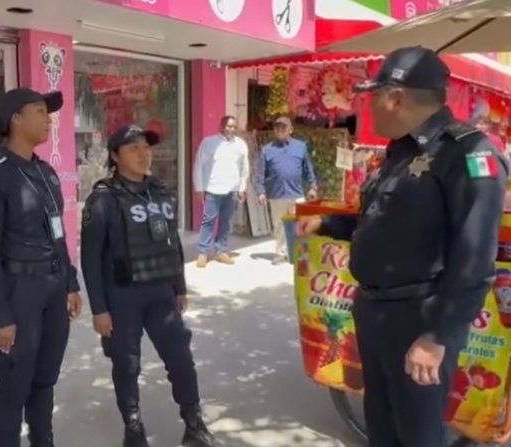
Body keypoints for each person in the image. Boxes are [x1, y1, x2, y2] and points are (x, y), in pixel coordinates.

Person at [295, 46, 508, 447]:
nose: (368, 107)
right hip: (375, 313)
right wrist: (327, 222)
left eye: (372, 97)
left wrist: (436, 336)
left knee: (417, 434)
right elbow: (385, 220)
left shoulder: (467, 154)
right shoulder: (400, 152)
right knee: (383, 427)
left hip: (419, 320)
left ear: (396, 97)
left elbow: (475, 258)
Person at [81, 124, 215, 447]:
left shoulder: (160, 189)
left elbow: (172, 243)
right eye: (133, 148)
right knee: (127, 365)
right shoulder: (103, 199)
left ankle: (194, 424)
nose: (144, 154)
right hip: (122, 296)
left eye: (146, 146)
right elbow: (90, 259)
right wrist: (99, 310)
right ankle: (133, 427)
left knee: (181, 359)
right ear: (115, 156)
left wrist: (179, 285)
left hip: (161, 294)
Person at [0, 87, 83, 447]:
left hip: (53, 290)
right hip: (19, 292)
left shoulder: (46, 173)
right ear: (15, 119)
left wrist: (70, 281)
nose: (48, 119)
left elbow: (58, 233)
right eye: (39, 110)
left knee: (44, 378)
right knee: (14, 382)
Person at [255, 116, 318, 264]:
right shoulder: (267, 150)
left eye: (283, 127)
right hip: (277, 195)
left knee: (301, 225)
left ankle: (301, 254)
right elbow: (260, 173)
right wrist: (261, 192)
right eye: (277, 127)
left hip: (297, 194)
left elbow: (308, 169)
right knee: (279, 226)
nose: (279, 130)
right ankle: (281, 254)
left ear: (290, 130)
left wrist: (313, 187)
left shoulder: (300, 147)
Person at [192, 115, 250, 268]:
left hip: (231, 190)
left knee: (225, 222)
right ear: (221, 126)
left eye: (233, 126)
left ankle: (221, 251)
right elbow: (199, 165)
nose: (231, 129)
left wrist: (242, 188)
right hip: (213, 189)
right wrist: (199, 188)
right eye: (228, 126)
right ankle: (203, 253)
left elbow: (245, 168)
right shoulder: (209, 143)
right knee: (208, 221)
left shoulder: (241, 145)